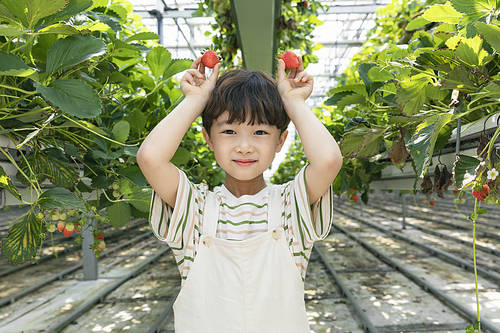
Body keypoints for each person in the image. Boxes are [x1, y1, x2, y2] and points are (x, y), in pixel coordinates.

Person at [137, 54, 343, 333]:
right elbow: (150, 158)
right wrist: (195, 100)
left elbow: (329, 160)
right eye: (229, 131)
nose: (244, 146)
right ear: (208, 138)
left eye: (259, 132)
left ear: (280, 140)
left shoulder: (290, 207)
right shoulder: (195, 211)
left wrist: (293, 102)